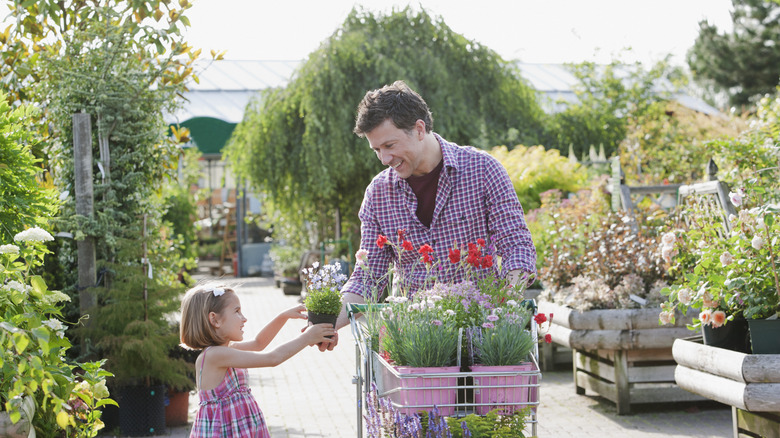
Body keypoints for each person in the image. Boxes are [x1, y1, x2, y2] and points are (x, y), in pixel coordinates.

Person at [321, 80, 537, 351]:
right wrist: (328, 324)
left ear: (419, 129)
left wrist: (504, 305)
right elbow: (368, 276)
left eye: (390, 145)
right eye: (377, 150)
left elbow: (517, 246)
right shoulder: (379, 193)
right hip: (420, 346)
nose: (384, 158)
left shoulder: (483, 171)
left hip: (485, 339)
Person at [180, 285, 335, 437]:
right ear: (214, 319)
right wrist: (307, 337)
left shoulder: (228, 349)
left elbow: (258, 343)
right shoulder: (215, 355)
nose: (244, 318)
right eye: (237, 311)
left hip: (239, 427)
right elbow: (272, 358)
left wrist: (283, 316)